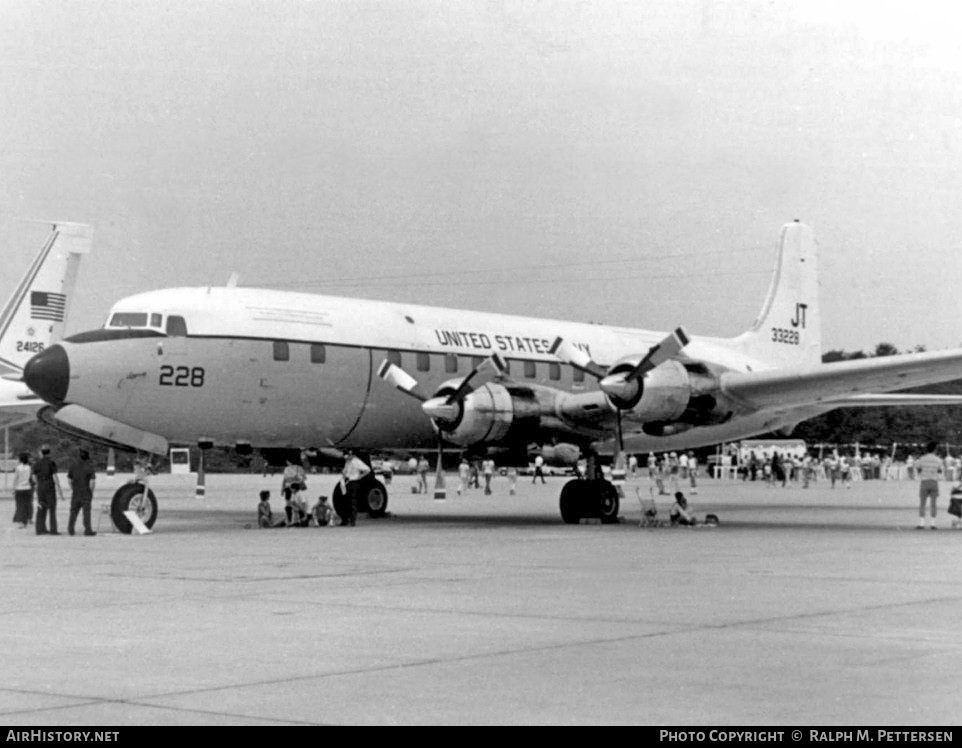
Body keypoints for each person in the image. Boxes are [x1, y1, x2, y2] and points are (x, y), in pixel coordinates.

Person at [32, 445, 64, 535]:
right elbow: (55, 476)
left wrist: (37, 485)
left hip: (41, 487)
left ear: (42, 453)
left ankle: (40, 529)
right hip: (49, 487)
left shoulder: (37, 463)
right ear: (48, 453)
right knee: (52, 509)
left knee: (41, 508)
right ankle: (53, 530)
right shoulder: (51, 463)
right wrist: (59, 489)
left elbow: (33, 476)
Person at [66, 448, 97, 536]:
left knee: (73, 511)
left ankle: (70, 529)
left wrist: (73, 489)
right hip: (86, 492)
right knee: (86, 512)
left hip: (76, 492)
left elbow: (69, 480)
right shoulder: (90, 467)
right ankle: (88, 530)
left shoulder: (73, 466)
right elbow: (92, 482)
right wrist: (91, 492)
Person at [915, 441, 944, 530]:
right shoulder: (938, 459)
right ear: (935, 449)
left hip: (924, 481)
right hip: (934, 482)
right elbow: (940, 471)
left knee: (922, 503)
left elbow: (918, 468)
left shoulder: (922, 459)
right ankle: (933, 523)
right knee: (933, 504)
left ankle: (921, 523)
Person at [340, 451, 372, 527]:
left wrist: (360, 476)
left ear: (351, 455)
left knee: (352, 502)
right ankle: (345, 520)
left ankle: (352, 520)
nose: (346, 458)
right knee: (345, 501)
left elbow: (367, 469)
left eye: (347, 456)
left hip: (353, 482)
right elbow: (345, 472)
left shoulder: (356, 462)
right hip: (346, 482)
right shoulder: (347, 462)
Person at [12, 452, 34, 529]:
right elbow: (32, 478)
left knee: (19, 505)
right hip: (27, 488)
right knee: (26, 505)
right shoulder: (29, 467)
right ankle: (25, 522)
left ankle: (20, 522)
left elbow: (16, 478)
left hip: (19, 488)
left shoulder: (18, 468)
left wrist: (13, 488)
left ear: (20, 459)